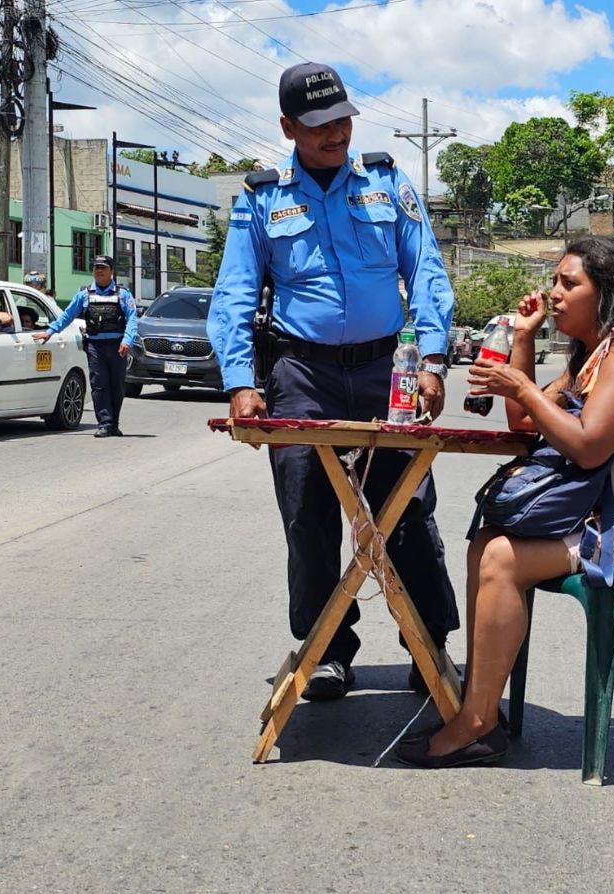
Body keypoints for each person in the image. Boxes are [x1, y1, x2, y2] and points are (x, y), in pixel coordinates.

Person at [398, 235, 614, 768]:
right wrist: (524, 340)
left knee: (501, 557)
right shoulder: (596, 354)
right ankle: (477, 707)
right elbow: (525, 424)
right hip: (613, 518)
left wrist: (520, 386)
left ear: (607, 292)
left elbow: (588, 447)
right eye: (556, 282)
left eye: (570, 283)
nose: (555, 294)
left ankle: (478, 722)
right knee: (486, 544)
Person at [207, 62, 457, 701]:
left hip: (386, 371)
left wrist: (432, 359)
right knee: (308, 509)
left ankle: (429, 644)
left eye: (343, 119)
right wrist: (241, 381)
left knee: (407, 508)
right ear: (289, 126)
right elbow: (234, 294)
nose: (335, 134)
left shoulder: (386, 182)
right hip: (302, 372)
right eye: (319, 125)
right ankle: (326, 648)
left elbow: (426, 270)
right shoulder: (262, 200)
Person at [33, 255, 137, 438]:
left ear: (111, 271)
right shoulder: (84, 294)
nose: (99, 271)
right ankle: (104, 423)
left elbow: (132, 319)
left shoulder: (123, 294)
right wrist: (50, 332)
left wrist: (127, 341)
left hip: (118, 347)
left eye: (103, 268)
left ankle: (114, 423)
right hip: (95, 346)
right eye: (96, 268)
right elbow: (67, 315)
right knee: (99, 385)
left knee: (117, 386)